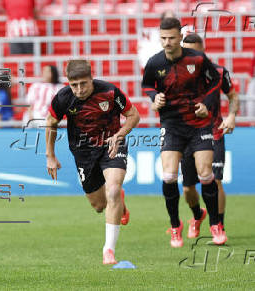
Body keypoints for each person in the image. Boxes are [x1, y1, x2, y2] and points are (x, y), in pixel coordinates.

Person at [142, 17, 226, 248]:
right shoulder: (154, 62)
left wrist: (207, 104)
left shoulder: (197, 59)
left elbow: (216, 79)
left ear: (180, 36)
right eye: (163, 38)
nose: (167, 42)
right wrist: (154, 97)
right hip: (171, 125)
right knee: (169, 176)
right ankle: (175, 226)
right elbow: (147, 85)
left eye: (171, 37)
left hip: (199, 124)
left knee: (206, 174)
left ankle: (216, 225)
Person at [45, 60, 139, 265]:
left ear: (92, 79)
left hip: (111, 144)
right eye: (74, 85)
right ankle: (119, 203)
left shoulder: (110, 92)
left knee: (112, 190)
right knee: (98, 205)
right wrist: (50, 155)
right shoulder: (63, 98)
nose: (79, 89)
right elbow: (51, 123)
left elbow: (133, 115)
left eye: (83, 84)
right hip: (83, 153)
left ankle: (108, 251)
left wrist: (120, 135)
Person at [179, 33, 239, 239]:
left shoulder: (219, 72)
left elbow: (232, 96)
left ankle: (218, 225)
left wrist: (231, 116)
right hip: (185, 136)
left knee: (216, 180)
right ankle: (197, 215)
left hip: (213, 132)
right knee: (188, 189)